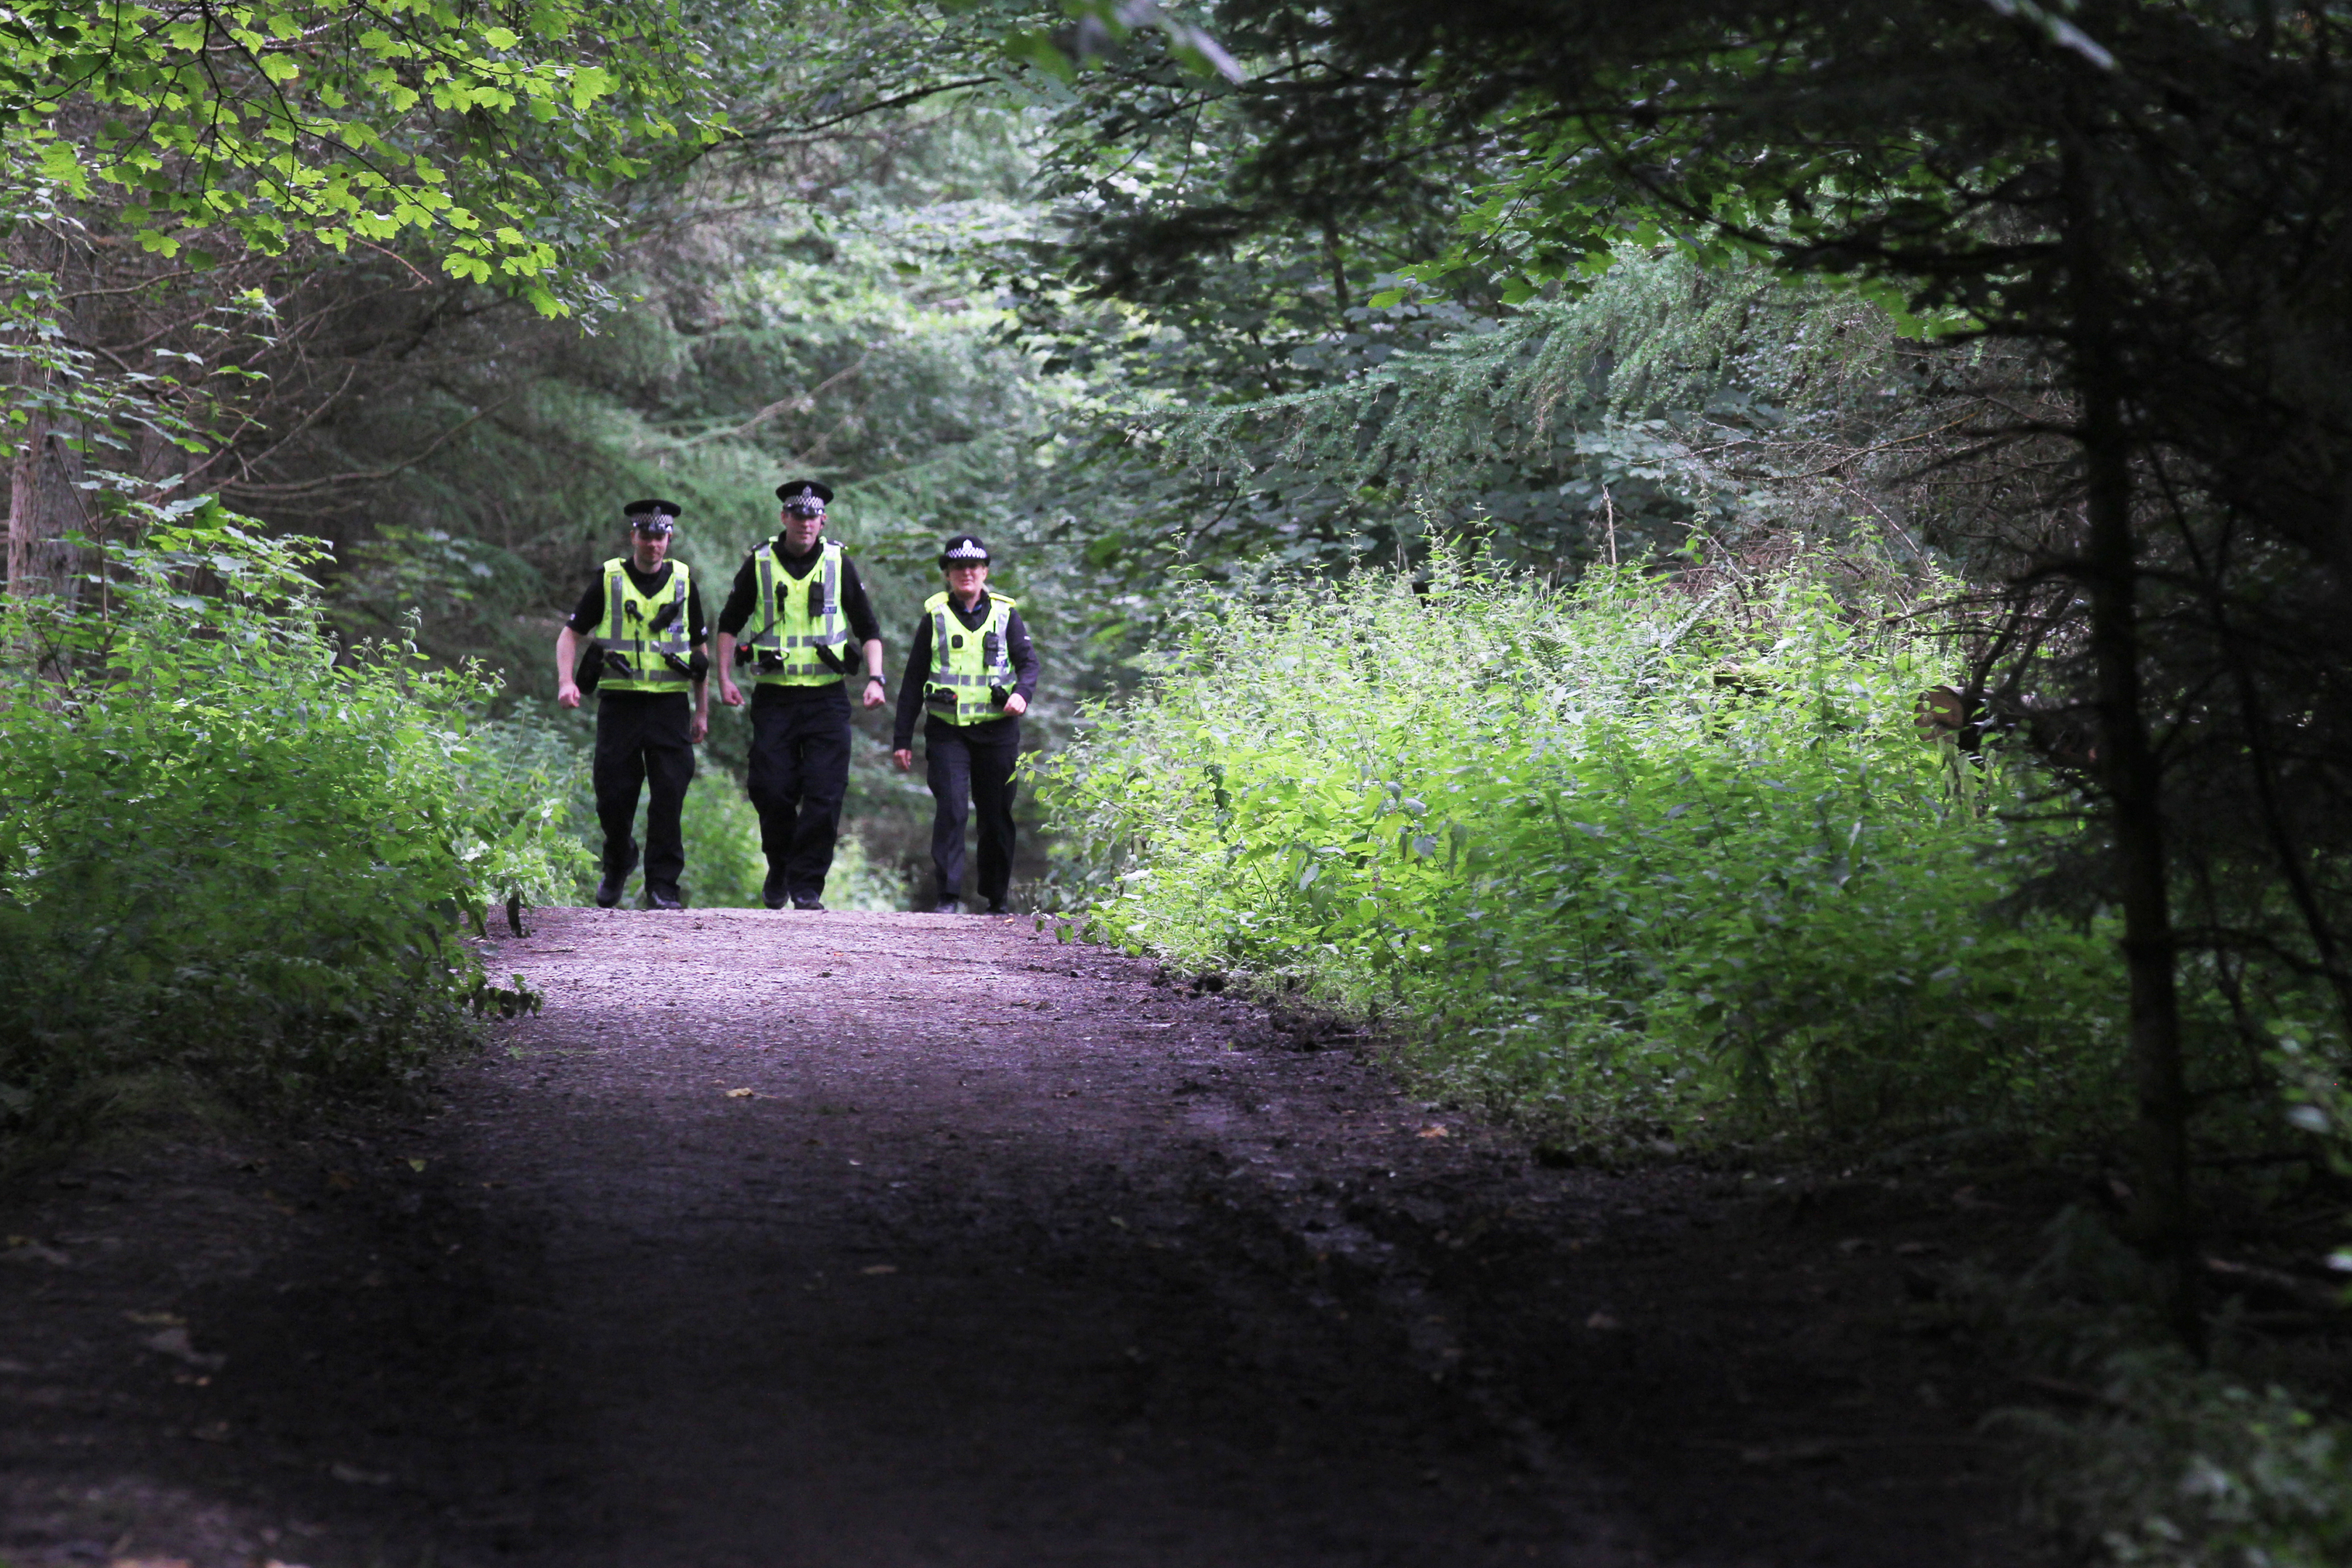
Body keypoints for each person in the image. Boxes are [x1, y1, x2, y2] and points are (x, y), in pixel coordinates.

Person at [714, 480, 886, 910]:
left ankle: (807, 884)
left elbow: (868, 628)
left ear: (822, 520)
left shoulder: (838, 562)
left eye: (813, 516)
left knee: (825, 793)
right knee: (772, 789)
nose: (805, 523)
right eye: (798, 515)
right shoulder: (759, 562)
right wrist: (724, 679)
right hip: (774, 699)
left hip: (827, 699)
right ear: (784, 518)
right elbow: (729, 624)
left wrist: (876, 678)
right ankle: (780, 864)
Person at [555, 499, 710, 910]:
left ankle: (663, 886)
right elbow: (570, 634)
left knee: (669, 795)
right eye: (646, 536)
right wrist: (566, 682)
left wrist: (703, 710)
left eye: (660, 537)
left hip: (669, 707)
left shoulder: (683, 581)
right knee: (614, 796)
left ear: (669, 539)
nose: (653, 545)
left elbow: (698, 652)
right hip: (620, 706)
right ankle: (618, 862)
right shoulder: (609, 580)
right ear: (634, 537)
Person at [891, 533, 1039, 914]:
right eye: (958, 567)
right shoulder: (935, 617)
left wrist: (1022, 694)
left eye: (973, 566)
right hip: (947, 730)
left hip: (998, 731)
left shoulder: (1006, 614)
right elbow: (912, 680)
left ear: (985, 571)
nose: (966, 573)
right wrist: (902, 739)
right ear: (947, 574)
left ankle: (996, 898)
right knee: (953, 808)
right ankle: (948, 897)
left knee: (996, 814)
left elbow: (1029, 664)